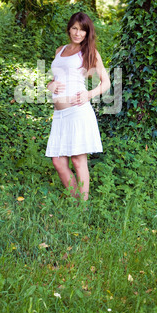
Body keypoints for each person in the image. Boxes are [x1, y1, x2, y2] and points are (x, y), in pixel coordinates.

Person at [45, 12, 111, 202]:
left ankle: (81, 207)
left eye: (82, 30)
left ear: (87, 32)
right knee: (58, 161)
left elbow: (105, 83)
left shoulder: (89, 52)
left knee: (77, 160)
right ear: (69, 28)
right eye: (74, 28)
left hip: (77, 111)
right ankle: (77, 202)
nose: (77, 33)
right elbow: (57, 78)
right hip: (59, 115)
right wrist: (50, 85)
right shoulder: (60, 50)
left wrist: (89, 94)